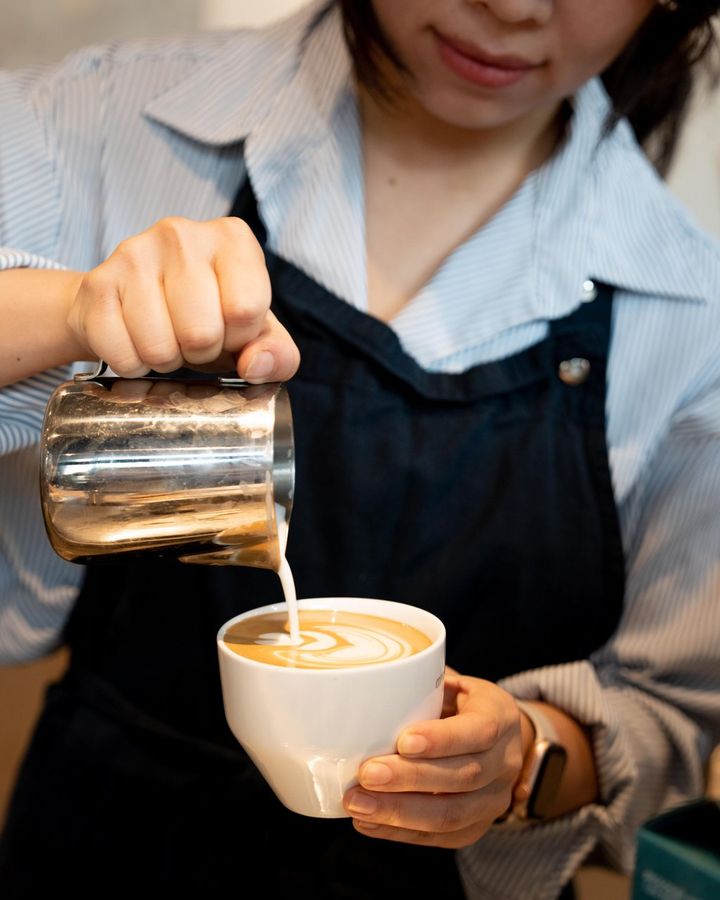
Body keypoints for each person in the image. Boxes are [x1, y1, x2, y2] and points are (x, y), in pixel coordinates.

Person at [1, 1, 719, 897]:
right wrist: (67, 313)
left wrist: (523, 762)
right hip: (101, 850)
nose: (514, 6)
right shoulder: (101, 119)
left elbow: (669, 721)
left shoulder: (693, 313)